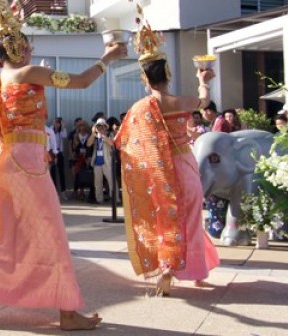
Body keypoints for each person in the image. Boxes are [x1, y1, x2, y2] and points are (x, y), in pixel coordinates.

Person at [0, 0, 126, 330]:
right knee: (50, 234)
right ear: (21, 48)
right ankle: (66, 313)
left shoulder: (2, 81)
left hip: (12, 166)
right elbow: (81, 82)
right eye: (24, 44)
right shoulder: (29, 72)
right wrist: (108, 58)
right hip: (26, 167)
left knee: (7, 238)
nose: (26, 49)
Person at [114, 14, 220, 297]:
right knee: (191, 220)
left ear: (143, 78)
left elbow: (125, 141)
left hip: (158, 175)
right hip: (184, 167)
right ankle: (194, 273)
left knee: (165, 221)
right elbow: (205, 101)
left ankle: (167, 267)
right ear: (168, 74)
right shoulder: (180, 102)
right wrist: (203, 78)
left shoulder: (140, 108)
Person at [86, 118, 117, 204]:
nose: (100, 128)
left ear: (106, 127)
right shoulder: (95, 136)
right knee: (97, 182)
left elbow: (112, 144)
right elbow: (88, 144)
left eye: (102, 126)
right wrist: (93, 133)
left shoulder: (109, 134)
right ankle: (99, 199)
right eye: (98, 126)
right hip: (97, 162)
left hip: (107, 161)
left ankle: (115, 198)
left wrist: (103, 135)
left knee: (111, 180)